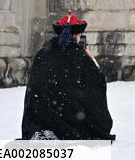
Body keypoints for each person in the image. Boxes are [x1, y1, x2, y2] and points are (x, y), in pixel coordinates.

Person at [21, 11, 114, 140]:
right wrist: (93, 60)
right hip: (69, 119)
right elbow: (96, 86)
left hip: (39, 118)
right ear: (76, 35)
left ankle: (45, 129)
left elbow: (34, 88)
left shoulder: (42, 53)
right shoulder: (80, 56)